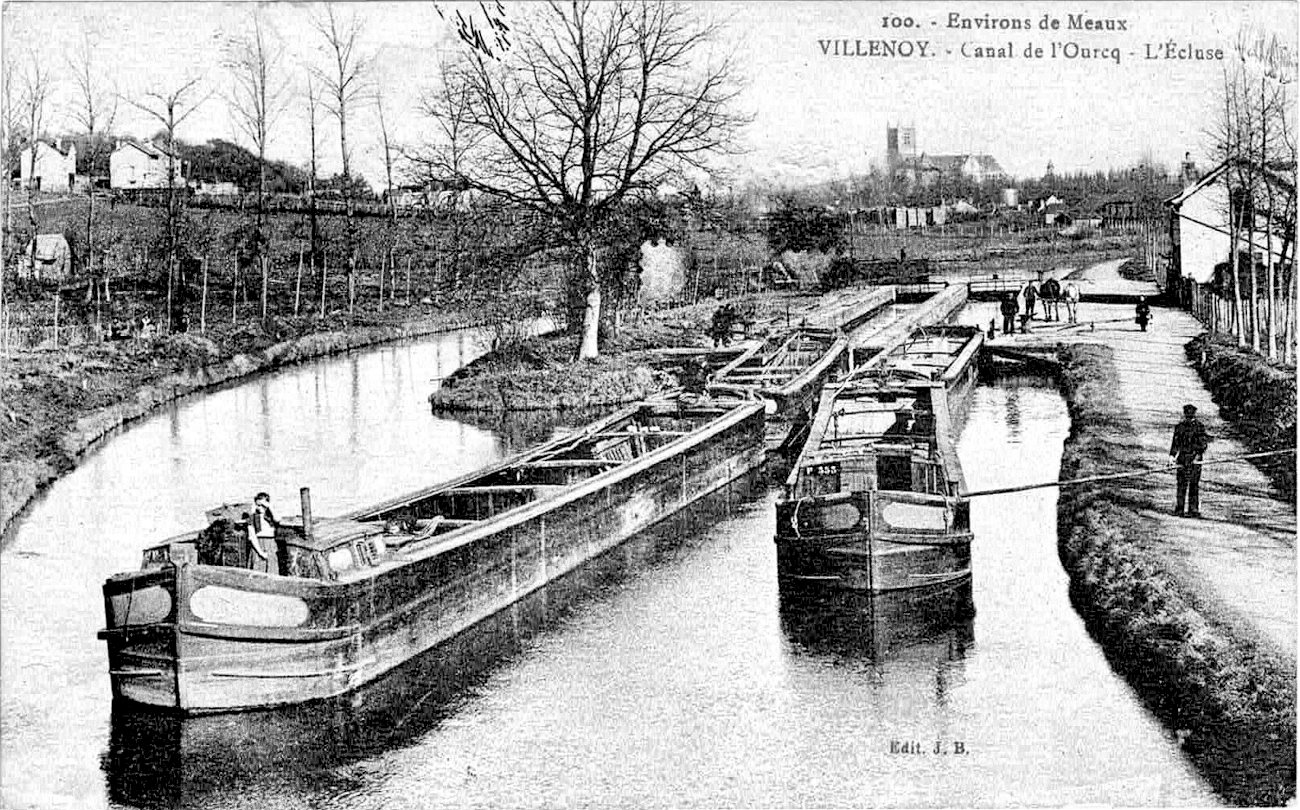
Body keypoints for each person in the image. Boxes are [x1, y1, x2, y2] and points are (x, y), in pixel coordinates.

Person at [1169, 404, 1209, 517]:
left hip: (1195, 460)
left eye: (1190, 414)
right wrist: (1172, 456)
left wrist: (1197, 456)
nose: (1188, 416)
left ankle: (1193, 509)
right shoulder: (1179, 427)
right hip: (1182, 459)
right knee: (1181, 484)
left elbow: (1203, 445)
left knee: (1194, 484)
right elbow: (1175, 443)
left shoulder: (1199, 427)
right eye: (1187, 414)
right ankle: (1179, 508)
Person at [247, 492, 279, 573]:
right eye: (258, 505)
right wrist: (260, 552)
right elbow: (252, 536)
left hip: (270, 545)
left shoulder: (270, 516)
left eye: (263, 505)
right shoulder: (253, 517)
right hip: (258, 545)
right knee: (257, 570)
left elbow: (278, 519)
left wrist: (269, 506)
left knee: (272, 571)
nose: (260, 507)